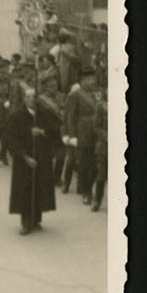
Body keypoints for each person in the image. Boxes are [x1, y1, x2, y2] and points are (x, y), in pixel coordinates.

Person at [6, 86, 60, 235]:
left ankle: (36, 219)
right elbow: (12, 139)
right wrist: (24, 156)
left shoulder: (44, 114)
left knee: (40, 187)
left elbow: (56, 131)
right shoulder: (16, 116)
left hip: (42, 157)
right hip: (24, 159)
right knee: (25, 190)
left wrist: (42, 132)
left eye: (33, 97)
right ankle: (25, 221)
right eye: (27, 97)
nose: (30, 100)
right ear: (23, 98)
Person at [62, 71, 99, 204]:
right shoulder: (75, 95)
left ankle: (86, 186)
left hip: (97, 133)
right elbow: (70, 117)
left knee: (96, 166)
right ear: (82, 80)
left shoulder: (98, 93)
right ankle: (86, 192)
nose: (92, 81)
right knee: (84, 165)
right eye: (89, 79)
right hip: (82, 133)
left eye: (93, 79)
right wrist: (72, 136)